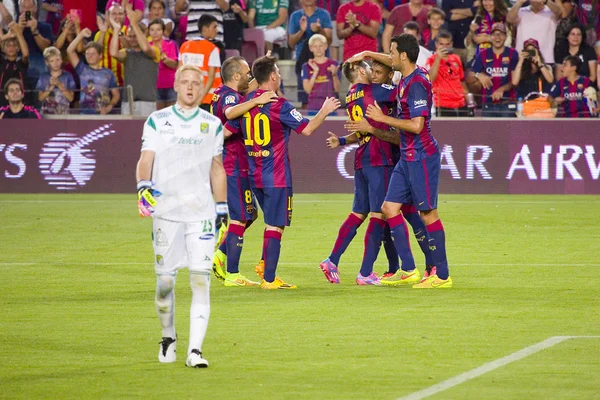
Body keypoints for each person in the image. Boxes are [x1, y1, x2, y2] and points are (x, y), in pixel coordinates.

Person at [136, 64, 227, 368]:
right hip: (166, 214)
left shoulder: (212, 124)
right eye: (184, 82)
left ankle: (195, 351)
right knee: (164, 284)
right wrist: (143, 186)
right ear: (175, 86)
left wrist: (222, 207)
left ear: (202, 89)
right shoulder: (157, 121)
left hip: (200, 214)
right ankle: (168, 335)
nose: (189, 88)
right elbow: (145, 158)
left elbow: (216, 167)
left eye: (195, 84)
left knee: (200, 281)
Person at [225, 55, 341, 289]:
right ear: (273, 76)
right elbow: (307, 129)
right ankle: (269, 279)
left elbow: (226, 131)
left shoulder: (246, 103)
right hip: (276, 176)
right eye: (277, 71)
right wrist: (325, 110)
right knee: (275, 225)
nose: (279, 75)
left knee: (271, 223)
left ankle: (264, 268)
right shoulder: (279, 105)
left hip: (253, 175)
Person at [347, 33, 452, 288]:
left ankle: (442, 275)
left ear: (403, 55)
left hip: (421, 156)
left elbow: (416, 125)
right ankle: (408, 270)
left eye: (392, 52)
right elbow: (389, 60)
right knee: (389, 208)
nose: (389, 56)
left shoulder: (416, 83)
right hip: (406, 157)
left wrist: (383, 119)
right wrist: (368, 55)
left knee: (428, 214)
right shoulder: (407, 76)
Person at [319, 60, 401, 285]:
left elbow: (360, 129)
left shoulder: (351, 96)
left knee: (358, 213)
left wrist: (342, 140)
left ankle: (332, 260)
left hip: (362, 158)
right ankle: (365, 272)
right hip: (379, 158)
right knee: (379, 214)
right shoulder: (375, 90)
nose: (372, 73)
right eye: (369, 68)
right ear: (359, 70)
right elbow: (403, 91)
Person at [210, 56, 278, 287]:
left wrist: (262, 66)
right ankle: (232, 274)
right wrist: (257, 102)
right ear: (236, 76)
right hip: (234, 165)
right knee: (240, 218)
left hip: (237, 164)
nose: (250, 76)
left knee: (249, 215)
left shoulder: (222, 92)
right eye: (247, 71)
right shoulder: (229, 97)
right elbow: (230, 114)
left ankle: (220, 254)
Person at [109, 8, 159, 116]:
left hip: (148, 102)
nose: (132, 39)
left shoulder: (154, 50)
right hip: (128, 102)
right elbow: (113, 53)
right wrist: (117, 30)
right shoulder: (127, 53)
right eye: (130, 36)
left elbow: (145, 48)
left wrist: (134, 24)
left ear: (142, 36)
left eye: (135, 36)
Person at [289, 0, 333, 107]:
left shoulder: (324, 14)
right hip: (303, 61)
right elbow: (291, 43)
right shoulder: (295, 16)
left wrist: (319, 30)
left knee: (326, 97)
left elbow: (329, 40)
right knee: (305, 99)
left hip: (323, 61)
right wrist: (302, 30)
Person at [469, 23, 518, 117]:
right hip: (488, 103)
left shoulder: (513, 53)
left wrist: (502, 89)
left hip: (507, 103)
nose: (497, 37)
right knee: (487, 131)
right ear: (490, 37)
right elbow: (469, 75)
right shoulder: (483, 54)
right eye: (494, 34)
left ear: (506, 37)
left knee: (507, 131)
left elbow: (515, 81)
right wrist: (478, 75)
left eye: (501, 34)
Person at [67, 28, 120, 114]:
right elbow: (70, 51)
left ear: (100, 56)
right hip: (84, 114)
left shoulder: (108, 73)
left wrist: (109, 107)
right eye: (87, 54)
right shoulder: (82, 69)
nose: (89, 56)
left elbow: (116, 95)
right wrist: (80, 35)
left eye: (93, 54)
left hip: (103, 115)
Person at [179, 14, 222, 111]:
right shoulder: (212, 49)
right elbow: (210, 79)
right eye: (214, 27)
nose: (217, 30)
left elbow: (179, 74)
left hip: (188, 99)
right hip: (207, 100)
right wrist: (199, 100)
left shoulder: (184, 46)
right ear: (205, 28)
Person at [426, 30, 472, 116]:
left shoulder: (456, 58)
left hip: (460, 103)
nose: (444, 47)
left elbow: (461, 81)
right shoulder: (431, 59)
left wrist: (470, 101)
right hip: (442, 104)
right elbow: (431, 79)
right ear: (436, 44)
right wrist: (438, 58)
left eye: (447, 44)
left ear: (451, 44)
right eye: (441, 44)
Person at [506, 0, 563, 64]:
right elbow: (509, 19)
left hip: (545, 59)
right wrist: (519, 2)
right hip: (523, 58)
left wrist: (546, 1)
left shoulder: (550, 12)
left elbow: (559, 12)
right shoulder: (521, 11)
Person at [301, 34, 340, 114]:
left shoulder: (333, 64)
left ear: (325, 46)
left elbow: (337, 89)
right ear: (310, 48)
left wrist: (334, 75)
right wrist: (315, 71)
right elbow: (307, 90)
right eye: (315, 46)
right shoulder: (306, 66)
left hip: (331, 106)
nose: (318, 49)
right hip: (313, 107)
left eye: (321, 46)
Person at [148, 19, 178, 109]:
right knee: (158, 117)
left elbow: (174, 64)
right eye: (152, 30)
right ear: (149, 32)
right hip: (154, 87)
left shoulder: (170, 44)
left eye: (158, 30)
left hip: (170, 86)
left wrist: (163, 57)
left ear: (163, 31)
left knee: (172, 116)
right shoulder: (147, 47)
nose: (155, 33)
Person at [36, 46, 75, 115]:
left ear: (61, 60)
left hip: (64, 115)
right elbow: (40, 98)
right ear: (47, 62)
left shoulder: (68, 76)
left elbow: (71, 98)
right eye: (52, 61)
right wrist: (51, 87)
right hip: (47, 116)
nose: (55, 63)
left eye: (57, 59)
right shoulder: (43, 77)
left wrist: (59, 84)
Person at [95, 4, 127, 87]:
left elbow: (129, 49)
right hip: (103, 82)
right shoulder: (100, 33)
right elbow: (95, 53)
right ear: (108, 16)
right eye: (114, 14)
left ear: (124, 16)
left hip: (124, 81)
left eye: (120, 14)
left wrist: (118, 31)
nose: (117, 17)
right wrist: (102, 32)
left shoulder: (129, 31)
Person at [0, 22, 29, 107]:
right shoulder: (1, 62)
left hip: (20, 101)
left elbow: (26, 54)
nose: (11, 48)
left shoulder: (21, 63)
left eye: (14, 45)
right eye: (8, 45)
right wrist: (6, 36)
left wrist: (18, 33)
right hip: (1, 101)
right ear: (3, 49)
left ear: (18, 48)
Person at [442, 0, 475, 65]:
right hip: (454, 44)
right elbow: (448, 16)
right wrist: (468, 12)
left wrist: (455, 11)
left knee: (470, 72)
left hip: (471, 45)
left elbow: (475, 11)